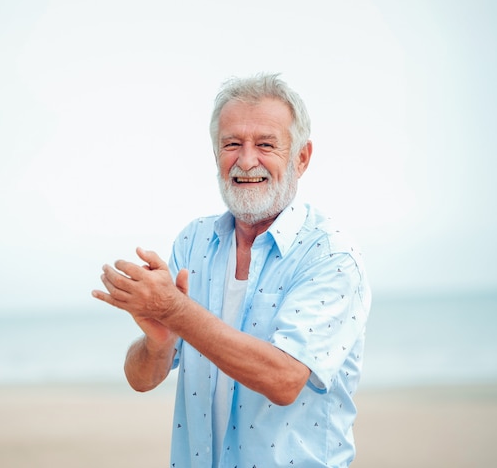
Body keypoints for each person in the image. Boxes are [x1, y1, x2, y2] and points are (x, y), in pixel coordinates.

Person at [92, 73, 371, 467]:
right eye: (232, 144)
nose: (245, 160)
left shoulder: (329, 255)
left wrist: (177, 312)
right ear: (216, 154)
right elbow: (142, 379)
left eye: (266, 145)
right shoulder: (194, 242)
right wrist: (158, 341)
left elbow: (285, 379)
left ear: (302, 158)